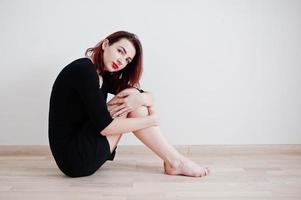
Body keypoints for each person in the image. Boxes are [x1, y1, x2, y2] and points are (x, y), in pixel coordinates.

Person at [48, 31, 210, 178]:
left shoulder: (101, 74)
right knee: (132, 97)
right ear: (105, 44)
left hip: (81, 147)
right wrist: (151, 119)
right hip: (75, 159)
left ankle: (175, 161)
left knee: (134, 96)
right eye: (120, 51)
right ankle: (175, 161)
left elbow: (140, 93)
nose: (122, 61)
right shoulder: (84, 70)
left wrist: (145, 99)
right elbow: (106, 127)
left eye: (127, 60)